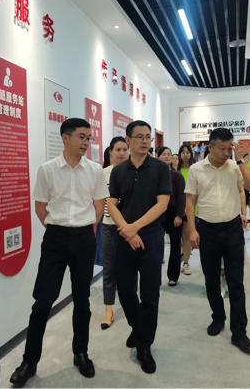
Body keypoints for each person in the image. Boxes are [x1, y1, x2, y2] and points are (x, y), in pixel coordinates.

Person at [10, 118, 109, 384]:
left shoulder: (95, 170)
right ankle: (29, 362)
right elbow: (40, 208)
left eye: (89, 137)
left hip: (84, 238)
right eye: (81, 137)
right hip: (55, 240)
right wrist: (58, 228)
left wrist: (84, 229)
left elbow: (99, 206)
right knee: (43, 301)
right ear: (65, 138)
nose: (86, 142)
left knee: (82, 300)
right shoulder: (47, 170)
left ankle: (81, 353)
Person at [107, 120, 172, 374]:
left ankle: (144, 346)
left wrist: (134, 227)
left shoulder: (160, 168)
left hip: (151, 238)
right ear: (128, 139)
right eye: (140, 137)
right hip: (124, 239)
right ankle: (137, 327)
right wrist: (127, 230)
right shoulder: (118, 170)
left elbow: (162, 204)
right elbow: (111, 204)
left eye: (148, 137)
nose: (145, 141)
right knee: (125, 291)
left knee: (150, 294)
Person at [185, 128, 250, 350]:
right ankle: (218, 317)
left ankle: (239, 332)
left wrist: (241, 161)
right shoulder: (196, 169)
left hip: (233, 229)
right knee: (211, 279)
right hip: (207, 229)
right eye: (222, 148)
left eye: (230, 148)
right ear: (210, 147)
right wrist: (192, 230)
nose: (226, 153)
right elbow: (190, 202)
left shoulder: (235, 167)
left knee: (236, 281)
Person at [101, 137, 129, 329]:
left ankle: (131, 304)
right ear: (110, 151)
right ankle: (108, 309)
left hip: (130, 227)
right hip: (109, 226)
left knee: (130, 268)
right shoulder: (102, 174)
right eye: (118, 150)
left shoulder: (134, 172)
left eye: (124, 149)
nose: (122, 153)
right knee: (109, 268)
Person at [156, 147, 186, 286]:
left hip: (173, 213)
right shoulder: (154, 174)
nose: (167, 156)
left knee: (175, 246)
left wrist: (179, 215)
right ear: (158, 156)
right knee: (156, 245)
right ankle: (154, 275)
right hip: (157, 213)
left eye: (169, 154)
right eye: (164, 154)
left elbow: (182, 197)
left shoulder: (177, 175)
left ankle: (173, 276)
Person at [177, 144, 195, 275]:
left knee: (187, 235)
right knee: (177, 236)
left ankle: (186, 263)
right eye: (183, 152)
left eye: (187, 152)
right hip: (177, 208)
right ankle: (180, 256)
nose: (185, 155)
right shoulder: (175, 171)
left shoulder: (195, 170)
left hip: (192, 207)